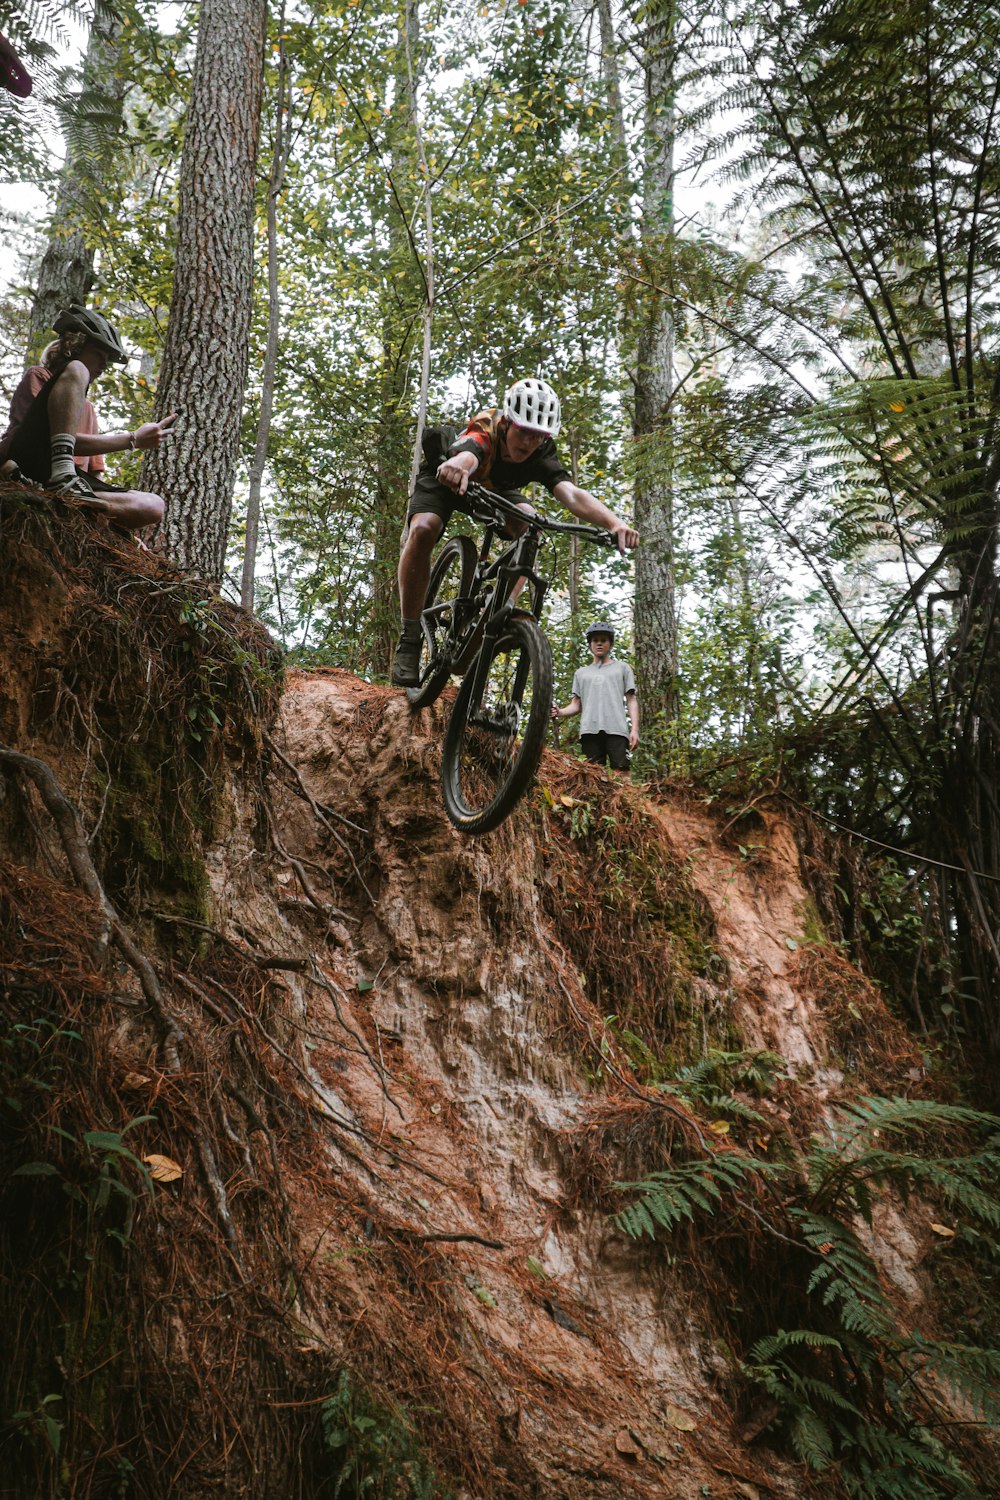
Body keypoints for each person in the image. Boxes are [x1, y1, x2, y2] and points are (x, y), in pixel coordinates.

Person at [391, 376, 639, 687]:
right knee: (425, 528)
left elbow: (572, 495)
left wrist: (614, 523)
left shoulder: (541, 451)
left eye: (538, 436)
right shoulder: (488, 426)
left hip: (495, 490)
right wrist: (458, 466)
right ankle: (411, 636)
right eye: (524, 432)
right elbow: (471, 451)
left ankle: (495, 616)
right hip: (450, 476)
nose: (528, 443)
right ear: (509, 422)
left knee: (530, 523)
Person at [0, 305, 175, 533]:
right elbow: (40, 438)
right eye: (98, 355)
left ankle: (69, 500)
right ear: (75, 346)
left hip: (68, 485)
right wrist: (133, 439)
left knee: (153, 505)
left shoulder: (88, 409)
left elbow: (95, 471)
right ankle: (61, 479)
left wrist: (121, 531)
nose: (104, 365)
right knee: (78, 370)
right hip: (28, 460)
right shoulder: (40, 375)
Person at [551, 621, 639, 772]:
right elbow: (576, 704)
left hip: (616, 728)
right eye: (595, 640)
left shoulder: (622, 668)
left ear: (610, 643)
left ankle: (624, 797)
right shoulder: (581, 673)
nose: (599, 644)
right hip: (589, 730)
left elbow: (631, 700)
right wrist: (560, 712)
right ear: (590, 644)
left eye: (603, 640)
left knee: (621, 771)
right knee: (594, 777)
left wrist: (635, 729)